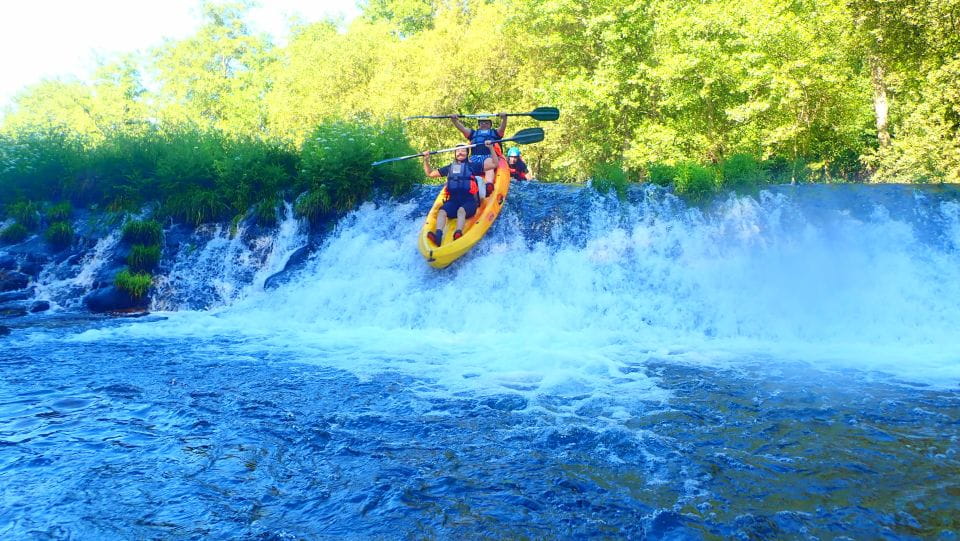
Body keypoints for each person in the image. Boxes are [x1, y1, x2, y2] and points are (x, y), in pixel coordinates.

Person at [422, 142, 493, 246]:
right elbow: (430, 173)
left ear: (467, 153)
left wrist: (491, 148)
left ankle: (458, 233)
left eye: (463, 150)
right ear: (455, 153)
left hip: (470, 202)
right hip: (454, 201)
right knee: (442, 211)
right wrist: (426, 159)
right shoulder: (450, 167)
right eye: (458, 151)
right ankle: (438, 236)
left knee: (461, 210)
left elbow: (494, 164)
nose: (460, 153)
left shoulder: (472, 166)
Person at [450, 112, 507, 197]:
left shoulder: (495, 133)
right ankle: (462, 183)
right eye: (482, 122)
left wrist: (504, 119)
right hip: (474, 157)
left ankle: (488, 185)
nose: (484, 124)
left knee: (489, 165)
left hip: (489, 156)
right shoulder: (472, 133)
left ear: (490, 125)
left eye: (486, 122)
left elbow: (502, 128)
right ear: (479, 124)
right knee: (464, 165)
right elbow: (462, 128)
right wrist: (454, 120)